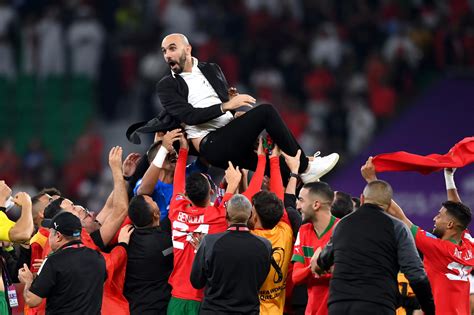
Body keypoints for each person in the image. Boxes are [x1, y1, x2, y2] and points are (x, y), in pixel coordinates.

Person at [157, 33, 339, 184]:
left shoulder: (211, 69)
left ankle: (304, 188)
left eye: (172, 48)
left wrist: (232, 110)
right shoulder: (167, 85)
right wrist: (226, 106)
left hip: (229, 134)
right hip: (212, 144)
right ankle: (306, 165)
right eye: (164, 51)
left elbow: (219, 103)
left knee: (283, 172)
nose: (167, 55)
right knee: (266, 112)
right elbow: (189, 116)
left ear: (188, 49)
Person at [166, 132, 264, 314]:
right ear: (211, 191)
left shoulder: (176, 209)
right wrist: (261, 158)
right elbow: (252, 193)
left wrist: (184, 151)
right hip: (204, 300)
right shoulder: (219, 216)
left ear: (186, 195)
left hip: (177, 299)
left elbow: (178, 182)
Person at [362, 158, 474, 315]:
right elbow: (458, 214)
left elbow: (399, 217)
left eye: (439, 216)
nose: (435, 219)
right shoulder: (469, 246)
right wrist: (449, 177)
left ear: (449, 225)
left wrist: (372, 181)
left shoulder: (438, 248)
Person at [313, 178, 435, 315]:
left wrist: (318, 262)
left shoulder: (342, 224)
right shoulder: (397, 228)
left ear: (362, 199)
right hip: (377, 305)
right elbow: (416, 275)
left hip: (340, 305)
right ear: (388, 205)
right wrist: (429, 308)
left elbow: (324, 259)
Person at [190, 194, 272, 314]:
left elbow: (196, 282)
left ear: (226, 215)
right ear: (250, 215)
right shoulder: (265, 245)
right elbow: (261, 279)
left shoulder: (210, 242)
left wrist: (202, 253)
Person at [18, 212, 107, 314]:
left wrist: (28, 281)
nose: (49, 237)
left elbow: (32, 300)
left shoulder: (53, 261)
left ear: (58, 236)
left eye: (50, 233)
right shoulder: (98, 257)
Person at [291, 181, 339, 315]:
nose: (297, 205)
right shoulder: (304, 230)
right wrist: (314, 266)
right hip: (311, 311)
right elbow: (296, 277)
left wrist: (322, 265)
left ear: (316, 204)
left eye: (301, 200)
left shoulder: (343, 230)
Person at [124, 195, 173, 314]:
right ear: (156, 215)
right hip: (158, 308)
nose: (155, 201)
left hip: (134, 308)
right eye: (153, 201)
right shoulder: (164, 243)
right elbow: (173, 251)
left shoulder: (126, 237)